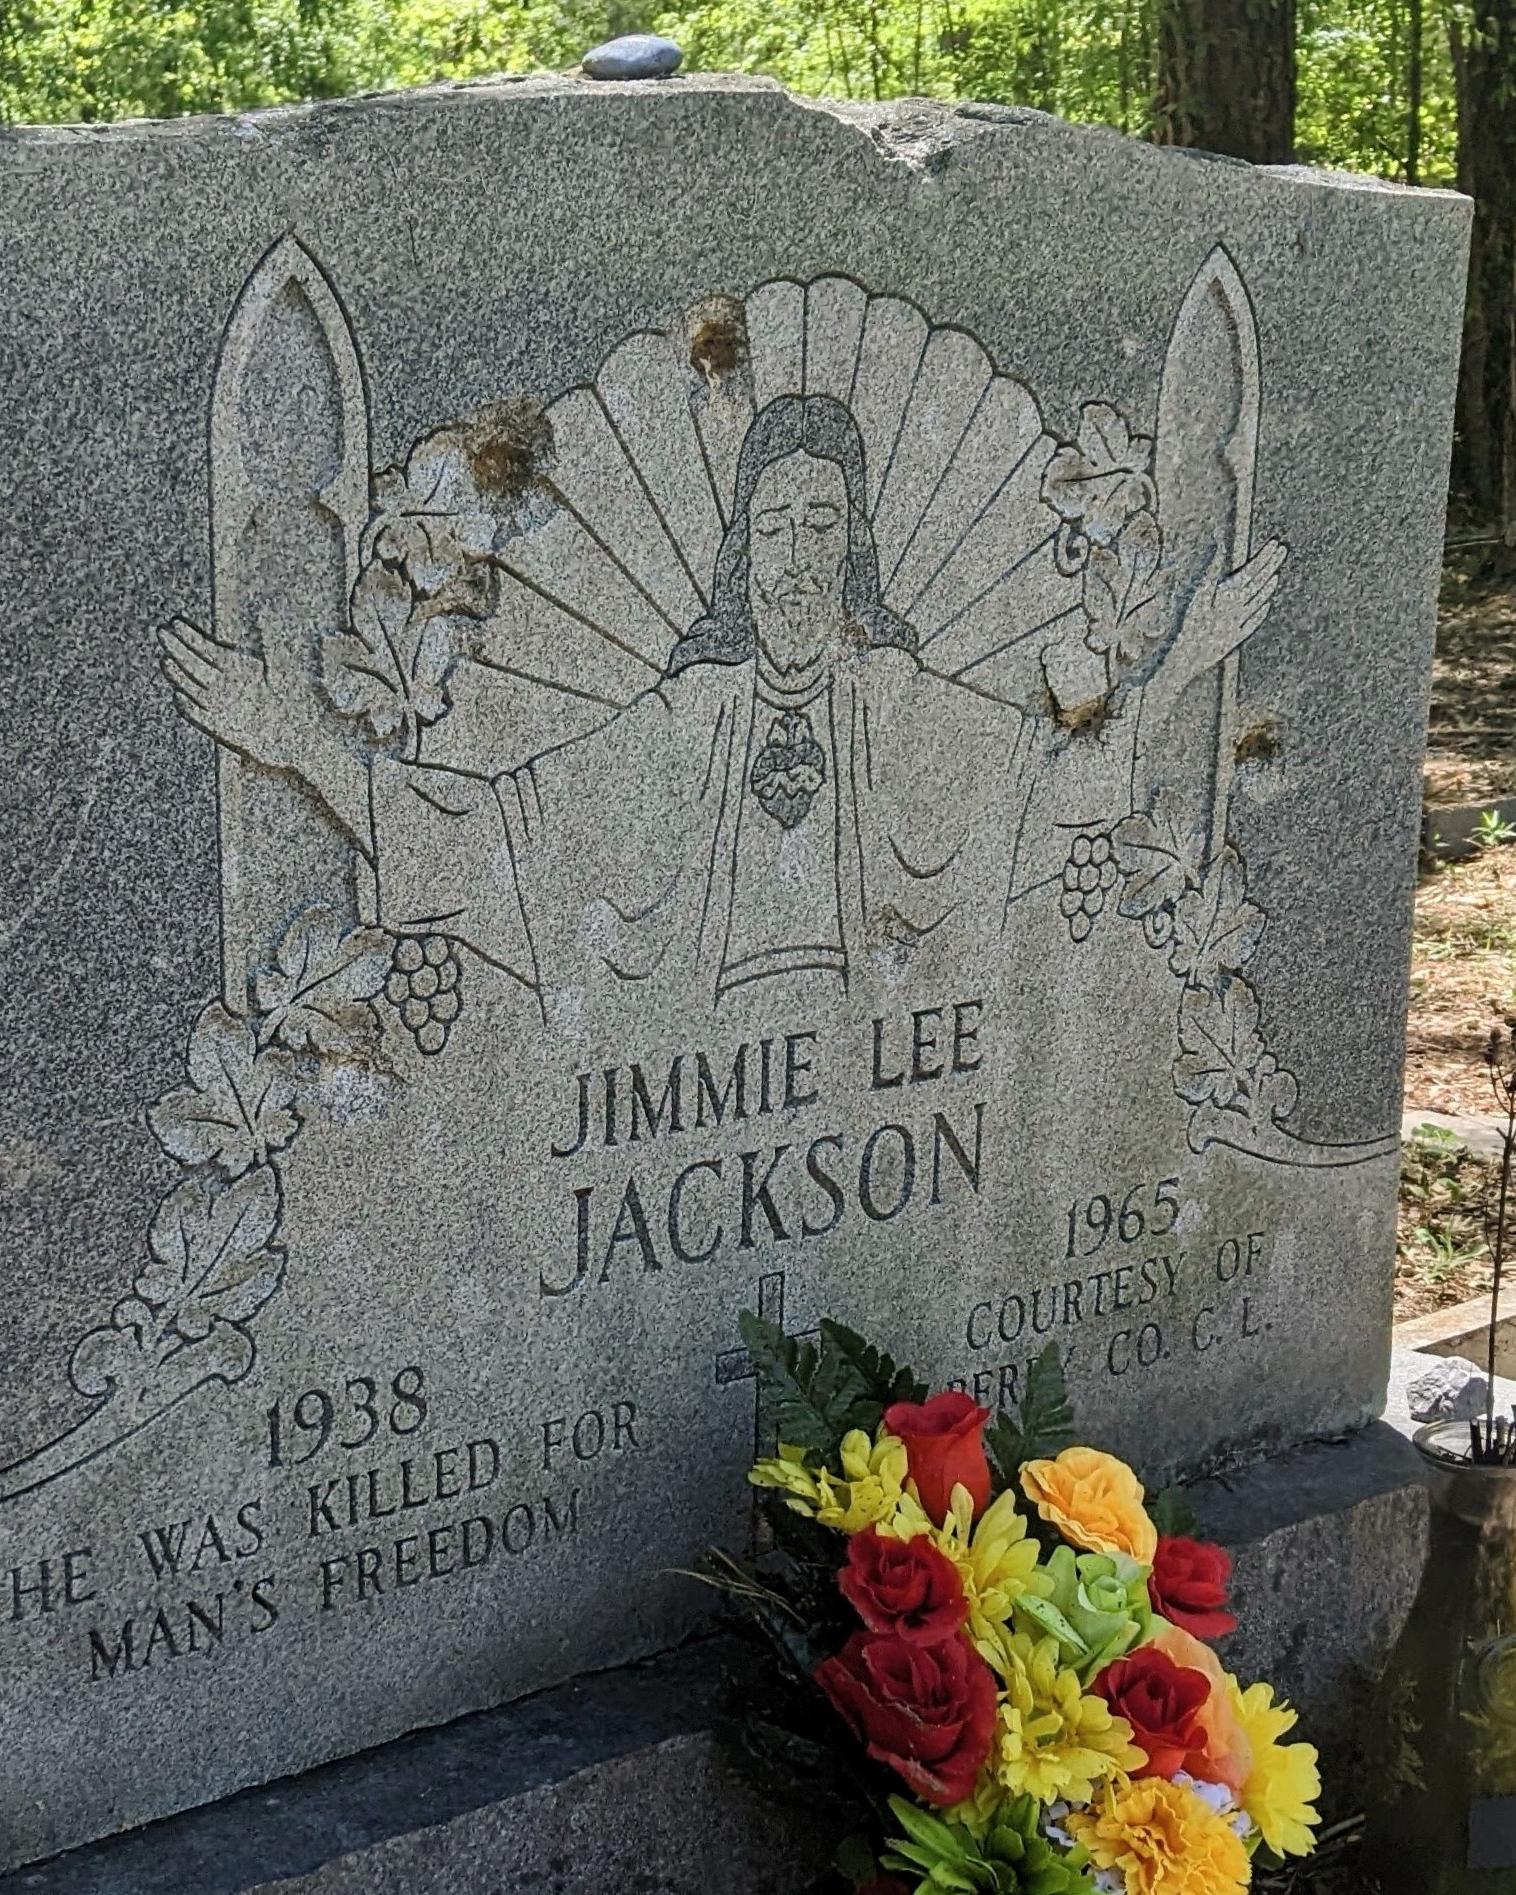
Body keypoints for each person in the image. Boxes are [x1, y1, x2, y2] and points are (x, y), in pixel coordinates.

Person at [160, 393, 1281, 1027]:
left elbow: (1059, 787)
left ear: (854, 550)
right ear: (743, 553)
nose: (798, 558)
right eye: (777, 525)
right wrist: (299, 742)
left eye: (823, 525)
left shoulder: (902, 703)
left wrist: (1184, 656)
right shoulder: (686, 716)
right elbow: (491, 839)